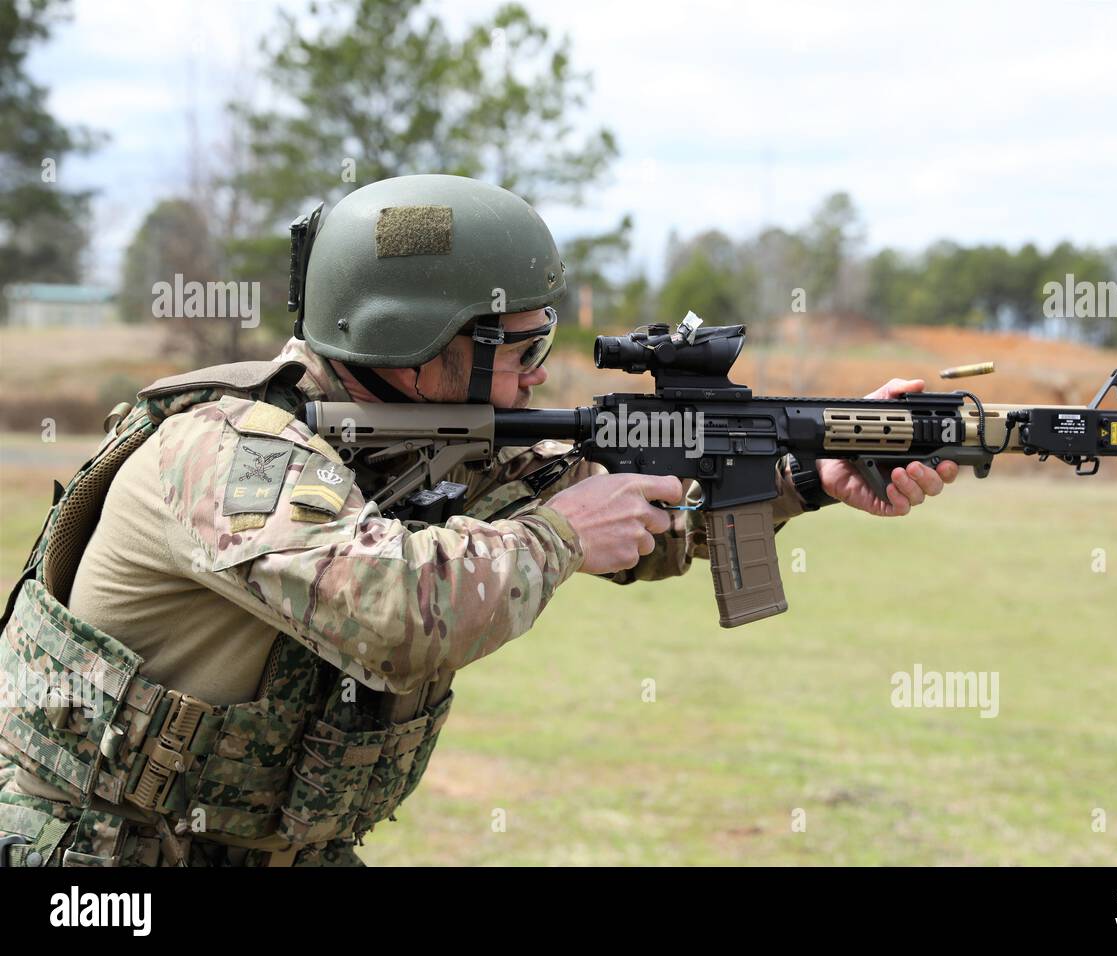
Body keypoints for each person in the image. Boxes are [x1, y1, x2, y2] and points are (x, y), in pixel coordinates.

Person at [0, 174, 956, 867]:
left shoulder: (434, 435)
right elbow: (393, 613)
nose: (544, 369)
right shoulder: (228, 450)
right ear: (413, 348)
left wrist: (807, 476)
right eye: (524, 341)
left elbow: (633, 525)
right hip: (100, 860)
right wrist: (563, 533)